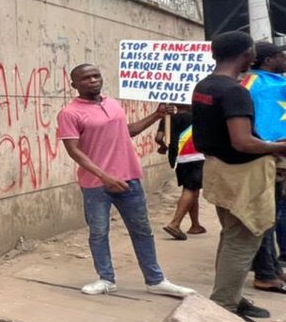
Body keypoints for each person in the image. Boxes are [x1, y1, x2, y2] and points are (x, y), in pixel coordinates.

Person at [56, 63, 194, 298]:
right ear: (74, 84)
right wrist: (104, 176)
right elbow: (74, 151)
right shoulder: (70, 113)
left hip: (129, 178)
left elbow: (127, 131)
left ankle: (155, 280)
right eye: (86, 78)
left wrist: (157, 115)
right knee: (99, 232)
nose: (93, 80)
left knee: (142, 230)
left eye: (96, 75)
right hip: (96, 184)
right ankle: (106, 279)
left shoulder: (112, 104)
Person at [191, 30, 286, 322]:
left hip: (218, 170)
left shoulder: (205, 85)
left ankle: (229, 295)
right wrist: (278, 147)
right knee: (243, 240)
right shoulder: (235, 91)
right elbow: (243, 142)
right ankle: (225, 307)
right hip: (242, 174)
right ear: (248, 55)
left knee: (231, 236)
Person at [241, 41, 286, 293]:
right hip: (270, 155)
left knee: (271, 214)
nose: (285, 60)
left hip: (269, 153)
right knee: (267, 216)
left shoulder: (256, 82)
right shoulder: (262, 85)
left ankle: (272, 268)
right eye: (281, 56)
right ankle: (266, 273)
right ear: (268, 60)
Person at [155, 109, 205, 240]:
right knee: (190, 190)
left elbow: (158, 138)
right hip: (196, 157)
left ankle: (195, 225)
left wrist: (163, 147)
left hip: (179, 160)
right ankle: (175, 224)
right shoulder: (198, 116)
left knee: (193, 189)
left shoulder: (168, 118)